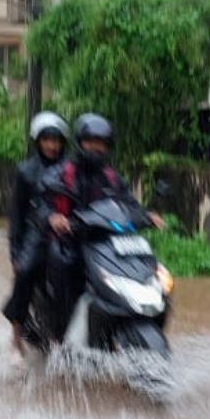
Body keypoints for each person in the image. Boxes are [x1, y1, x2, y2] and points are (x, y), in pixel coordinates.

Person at [43, 114, 165, 341]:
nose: (96, 147)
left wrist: (145, 215)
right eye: (91, 141)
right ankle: (59, 336)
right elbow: (44, 201)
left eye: (101, 142)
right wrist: (53, 217)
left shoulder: (111, 176)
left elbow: (128, 202)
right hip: (71, 240)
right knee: (64, 264)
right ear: (80, 142)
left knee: (149, 269)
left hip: (107, 242)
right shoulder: (63, 173)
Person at [1, 111, 69, 352]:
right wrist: (15, 253)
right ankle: (16, 339)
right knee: (25, 272)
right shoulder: (26, 171)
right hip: (36, 234)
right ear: (37, 141)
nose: (53, 145)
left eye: (57, 140)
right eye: (48, 139)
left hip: (68, 232)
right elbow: (17, 215)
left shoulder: (70, 169)